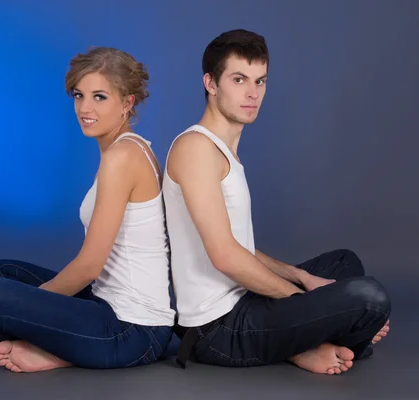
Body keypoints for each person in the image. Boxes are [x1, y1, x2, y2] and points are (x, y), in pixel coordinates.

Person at [163, 29, 391, 375]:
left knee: (344, 263)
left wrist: (302, 277)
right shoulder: (196, 149)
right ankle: (313, 343)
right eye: (239, 80)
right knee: (369, 298)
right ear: (211, 83)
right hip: (218, 329)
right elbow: (224, 255)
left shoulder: (223, 150)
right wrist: (306, 302)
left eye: (260, 81)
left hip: (246, 300)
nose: (253, 93)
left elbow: (239, 246)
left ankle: (306, 340)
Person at [0, 47, 175, 373]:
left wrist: (27, 310)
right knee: (2, 271)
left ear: (127, 102)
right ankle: (58, 342)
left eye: (100, 97)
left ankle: (57, 352)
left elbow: (89, 266)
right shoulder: (128, 148)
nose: (85, 108)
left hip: (133, 331)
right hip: (106, 304)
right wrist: (25, 309)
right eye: (79, 95)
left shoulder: (122, 158)